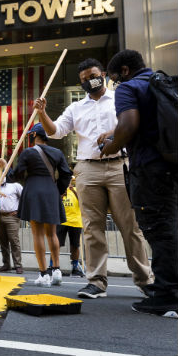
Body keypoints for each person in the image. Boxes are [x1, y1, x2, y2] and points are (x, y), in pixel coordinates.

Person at [34, 58, 152, 298]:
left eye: (93, 75)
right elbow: (55, 131)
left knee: (130, 226)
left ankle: (145, 280)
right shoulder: (76, 108)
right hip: (88, 169)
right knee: (92, 228)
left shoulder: (122, 97)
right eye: (84, 79)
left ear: (104, 75)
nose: (90, 81)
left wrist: (114, 135)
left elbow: (134, 125)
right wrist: (42, 113)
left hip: (121, 165)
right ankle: (96, 282)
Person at [102, 49, 178, 318]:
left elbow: (129, 124)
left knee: (158, 228)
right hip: (171, 163)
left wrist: (111, 145)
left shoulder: (128, 88)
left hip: (149, 168)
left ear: (124, 71)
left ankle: (167, 296)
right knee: (171, 224)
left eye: (114, 78)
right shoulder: (160, 82)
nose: (115, 84)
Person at [0, 123, 72, 288]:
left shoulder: (28, 152)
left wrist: (5, 166)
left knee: (38, 234)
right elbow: (66, 174)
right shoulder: (58, 152)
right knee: (52, 233)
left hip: (34, 191)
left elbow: (14, 177)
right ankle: (56, 270)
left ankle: (43, 274)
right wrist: (58, 190)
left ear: (33, 135)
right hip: (51, 191)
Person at [0, 177, 23, 274]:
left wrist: (20, 211)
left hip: (12, 216)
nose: (0, 177)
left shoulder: (15, 186)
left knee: (14, 241)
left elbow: (24, 197)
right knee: (3, 242)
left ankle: (18, 265)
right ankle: (6, 264)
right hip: (0, 216)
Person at [57, 176, 85, 277]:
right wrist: (60, 195)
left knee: (75, 245)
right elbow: (54, 203)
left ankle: (75, 267)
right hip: (61, 221)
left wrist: (74, 191)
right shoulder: (59, 190)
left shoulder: (76, 190)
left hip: (75, 222)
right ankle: (54, 267)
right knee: (56, 244)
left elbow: (83, 202)